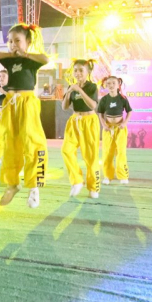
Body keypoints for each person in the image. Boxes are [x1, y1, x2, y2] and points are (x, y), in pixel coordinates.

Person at [0, 23, 48, 208]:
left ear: (28, 42)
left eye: (17, 40)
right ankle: (12, 184)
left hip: (27, 102)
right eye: (10, 41)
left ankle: (34, 186)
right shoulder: (9, 60)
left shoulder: (31, 61)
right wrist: (11, 53)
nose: (13, 44)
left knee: (32, 142)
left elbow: (45, 58)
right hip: (10, 104)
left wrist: (25, 54)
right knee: (10, 144)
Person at [61, 59, 100, 198]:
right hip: (74, 121)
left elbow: (93, 105)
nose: (77, 73)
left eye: (81, 70)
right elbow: (64, 107)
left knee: (90, 156)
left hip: (89, 122)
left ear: (87, 72)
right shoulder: (72, 87)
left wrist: (79, 91)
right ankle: (77, 181)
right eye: (75, 70)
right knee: (66, 150)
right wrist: (68, 92)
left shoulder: (92, 87)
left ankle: (94, 187)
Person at [97, 76, 132, 185]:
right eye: (108, 83)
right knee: (107, 152)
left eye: (113, 83)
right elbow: (100, 113)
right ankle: (107, 175)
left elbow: (129, 111)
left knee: (121, 152)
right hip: (108, 129)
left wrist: (124, 123)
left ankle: (123, 175)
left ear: (118, 85)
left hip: (120, 128)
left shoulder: (122, 98)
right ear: (105, 85)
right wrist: (104, 125)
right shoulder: (104, 99)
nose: (111, 85)